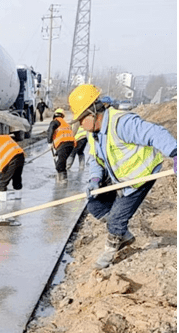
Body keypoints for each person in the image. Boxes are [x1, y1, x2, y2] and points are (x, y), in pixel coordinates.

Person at [68, 83, 177, 269]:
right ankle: (123, 235)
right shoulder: (94, 133)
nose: (81, 125)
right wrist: (95, 180)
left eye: (81, 119)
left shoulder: (121, 123)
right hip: (120, 177)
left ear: (93, 112)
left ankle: (110, 249)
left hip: (140, 176)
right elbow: (95, 159)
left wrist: (175, 153)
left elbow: (155, 132)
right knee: (94, 203)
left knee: (117, 218)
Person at [46, 108, 76, 182]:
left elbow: (50, 130)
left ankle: (63, 181)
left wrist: (49, 142)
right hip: (70, 145)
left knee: (59, 165)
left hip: (64, 144)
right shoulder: (65, 123)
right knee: (62, 162)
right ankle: (62, 178)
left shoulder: (55, 122)